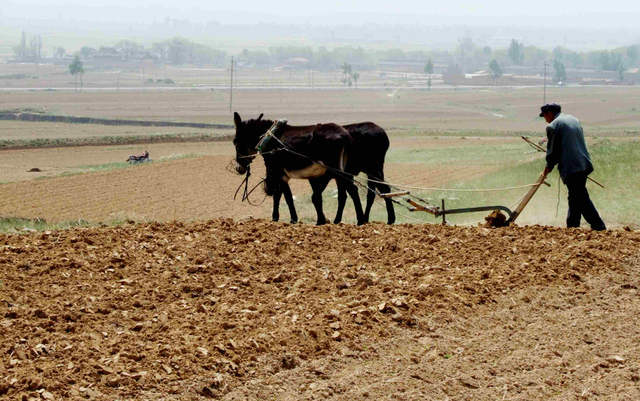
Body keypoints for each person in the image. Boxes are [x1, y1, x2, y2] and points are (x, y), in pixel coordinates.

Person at [540, 103, 606, 231]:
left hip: (572, 166)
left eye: (544, 116)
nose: (545, 119)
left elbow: (552, 152)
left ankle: (599, 226)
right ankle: (572, 226)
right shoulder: (573, 119)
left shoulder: (553, 126)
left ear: (550, 114)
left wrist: (547, 168)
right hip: (584, 163)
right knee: (575, 196)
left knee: (581, 198)